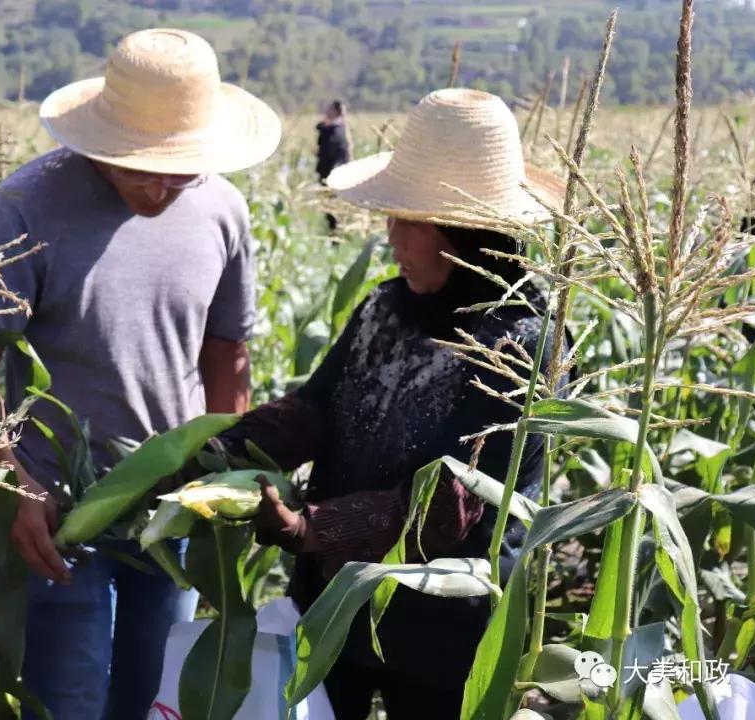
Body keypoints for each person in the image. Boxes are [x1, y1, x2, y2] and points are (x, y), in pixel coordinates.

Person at [0, 28, 281, 720]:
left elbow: (227, 353)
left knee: (152, 699)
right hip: (57, 515)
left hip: (175, 509)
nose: (163, 185)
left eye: (182, 167)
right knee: (69, 701)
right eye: (143, 165)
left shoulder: (223, 210)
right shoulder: (25, 207)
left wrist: (229, 480)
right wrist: (16, 483)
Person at [215, 88, 566, 719]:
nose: (391, 237)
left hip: (445, 627)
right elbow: (317, 408)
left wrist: (312, 529)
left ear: (464, 235)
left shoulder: (521, 341)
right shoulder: (384, 308)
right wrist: (232, 446)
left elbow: (455, 498)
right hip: (335, 612)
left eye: (409, 220)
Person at [316, 99, 351, 231]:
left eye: (329, 109)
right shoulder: (339, 130)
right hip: (333, 174)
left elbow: (328, 152)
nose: (326, 112)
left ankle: (335, 235)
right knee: (332, 207)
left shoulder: (334, 132)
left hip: (330, 174)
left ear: (336, 112)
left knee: (332, 208)